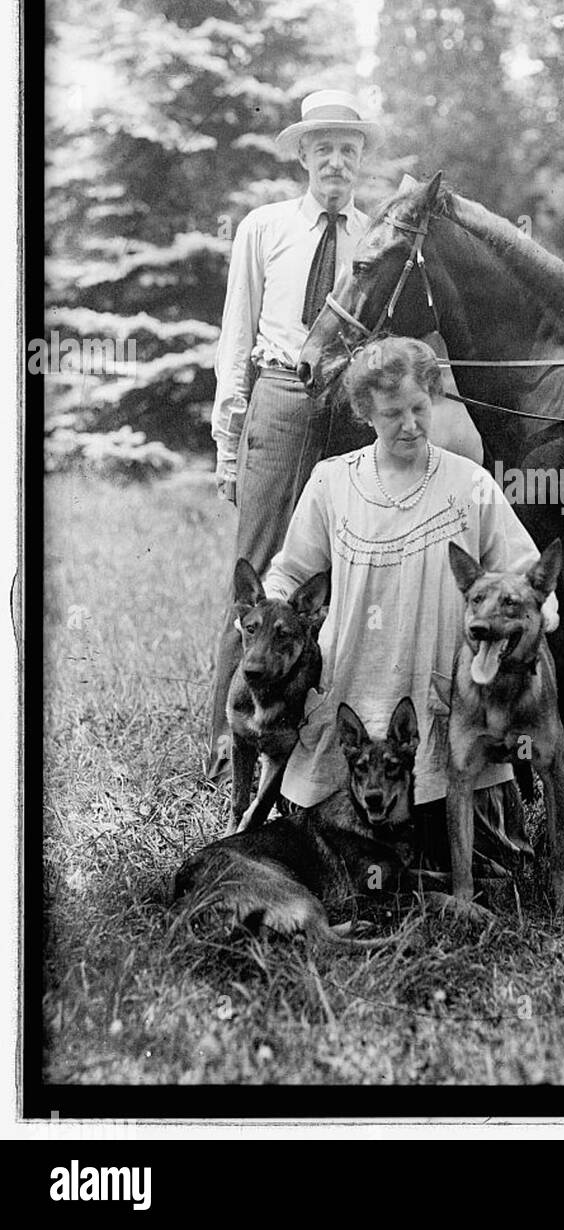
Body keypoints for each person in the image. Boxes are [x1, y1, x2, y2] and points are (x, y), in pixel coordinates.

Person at [262, 336, 557, 871]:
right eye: (391, 414)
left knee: (467, 857)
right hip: (355, 686)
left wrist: (537, 619)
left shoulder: (469, 483)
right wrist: (271, 615)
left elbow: (522, 568)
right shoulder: (332, 482)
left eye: (420, 408)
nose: (411, 425)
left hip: (443, 697)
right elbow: (291, 572)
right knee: (345, 856)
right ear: (364, 414)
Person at [205, 89, 383, 781]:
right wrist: (229, 445)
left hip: (346, 408)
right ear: (304, 156)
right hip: (279, 396)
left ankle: (314, 740)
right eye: (323, 148)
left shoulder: (374, 236)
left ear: (360, 158)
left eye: (348, 148)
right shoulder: (264, 226)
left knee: (335, 570)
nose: (336, 160)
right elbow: (236, 334)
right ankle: (227, 743)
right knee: (254, 569)